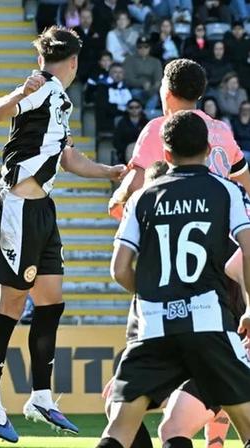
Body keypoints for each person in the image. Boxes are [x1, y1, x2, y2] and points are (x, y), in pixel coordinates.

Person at [0, 26, 126, 441]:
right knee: (11, 303)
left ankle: (40, 395)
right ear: (74, 62)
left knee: (51, 299)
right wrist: (19, 94)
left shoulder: (59, 97)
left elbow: (68, 156)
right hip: (18, 208)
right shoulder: (40, 87)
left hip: (42, 209)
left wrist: (107, 172)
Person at [101, 110, 250, 448]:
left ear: (166, 155)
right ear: (210, 150)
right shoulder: (226, 191)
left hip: (154, 328)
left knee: (118, 431)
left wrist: (157, 295)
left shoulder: (141, 199)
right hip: (209, 323)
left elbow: (119, 269)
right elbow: (248, 250)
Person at [109, 59, 250, 220]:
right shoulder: (222, 129)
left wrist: (117, 201)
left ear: (167, 90)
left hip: (175, 231)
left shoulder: (160, 127)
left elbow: (134, 186)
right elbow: (245, 182)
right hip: (218, 231)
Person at [123, 36, 162, 112]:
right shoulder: (129, 59)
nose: (143, 49)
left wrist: (151, 89)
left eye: (146, 47)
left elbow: (158, 79)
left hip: (151, 90)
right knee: (135, 93)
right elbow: (128, 78)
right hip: (135, 89)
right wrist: (142, 84)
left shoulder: (155, 61)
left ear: (150, 48)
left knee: (154, 97)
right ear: (136, 48)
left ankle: (146, 117)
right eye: (140, 47)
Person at [113, 99, 149, 164]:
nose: (134, 109)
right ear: (127, 109)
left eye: (137, 107)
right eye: (131, 107)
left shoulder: (146, 122)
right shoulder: (122, 123)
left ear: (141, 108)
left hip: (143, 151)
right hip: (125, 153)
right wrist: (128, 148)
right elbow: (116, 141)